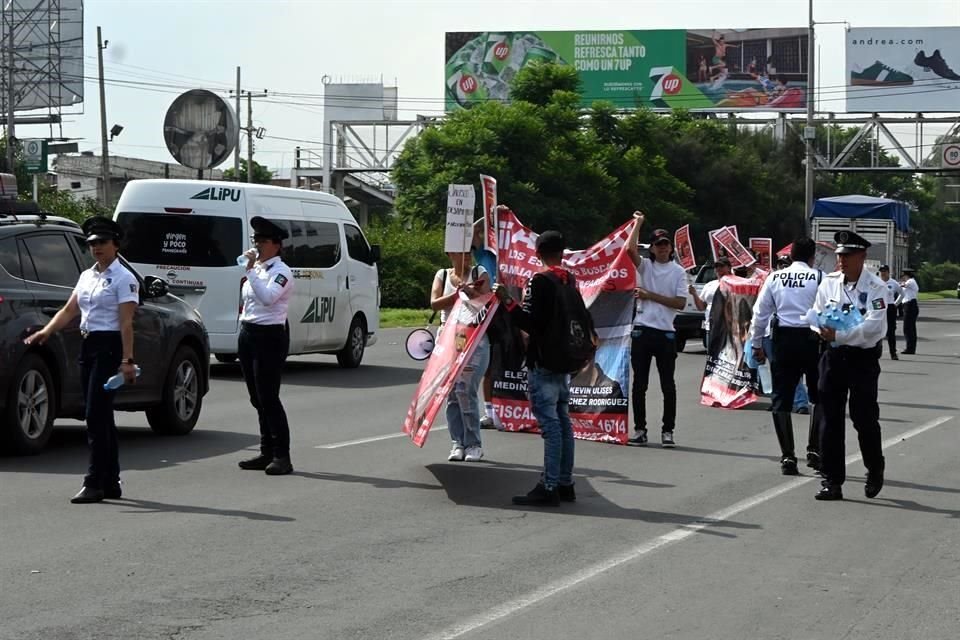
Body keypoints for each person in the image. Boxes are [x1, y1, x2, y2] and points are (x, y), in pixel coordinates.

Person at [24, 217, 139, 503]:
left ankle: (94, 481)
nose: (96, 248)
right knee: (99, 415)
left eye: (102, 242)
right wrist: (46, 331)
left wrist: (127, 360)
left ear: (116, 244)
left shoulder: (125, 278)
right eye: (91, 243)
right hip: (89, 344)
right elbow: (70, 309)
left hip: (110, 347)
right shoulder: (88, 275)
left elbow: (126, 323)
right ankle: (110, 481)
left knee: (95, 417)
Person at [493, 230, 585, 506]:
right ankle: (565, 482)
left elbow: (530, 323)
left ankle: (549, 486)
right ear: (562, 251)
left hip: (543, 359)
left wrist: (507, 300)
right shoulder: (569, 280)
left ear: (537, 252)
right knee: (563, 421)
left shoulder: (540, 280)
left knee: (551, 426)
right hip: (564, 358)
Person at [812, 231, 891, 501]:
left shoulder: (877, 288)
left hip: (862, 360)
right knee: (830, 419)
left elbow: (874, 327)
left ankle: (874, 467)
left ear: (862, 256)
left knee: (864, 418)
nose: (842, 260)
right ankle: (831, 481)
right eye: (839, 255)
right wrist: (820, 329)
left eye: (847, 255)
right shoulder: (829, 283)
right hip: (833, 357)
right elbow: (817, 312)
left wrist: (841, 334)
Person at [747, 238, 823, 476]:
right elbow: (828, 310)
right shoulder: (820, 277)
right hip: (812, 340)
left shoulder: (775, 277)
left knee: (781, 398)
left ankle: (788, 456)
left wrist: (757, 343)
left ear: (790, 256)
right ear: (812, 257)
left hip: (783, 341)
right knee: (818, 395)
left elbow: (760, 314)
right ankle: (814, 449)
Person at [237, 217, 296, 476]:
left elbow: (269, 298)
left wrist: (249, 270)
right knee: (255, 397)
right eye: (255, 240)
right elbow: (248, 302)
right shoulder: (258, 270)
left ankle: (282, 455)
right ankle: (266, 451)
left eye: (262, 241)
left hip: (270, 335)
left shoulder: (281, 272)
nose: (257, 245)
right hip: (249, 333)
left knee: (268, 397)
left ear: (276, 245)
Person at [625, 213, 687, 448]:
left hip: (665, 332)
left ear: (671, 248)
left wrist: (650, 296)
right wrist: (637, 223)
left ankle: (667, 430)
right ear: (651, 248)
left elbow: (680, 303)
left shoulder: (678, 272)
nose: (662, 248)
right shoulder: (646, 267)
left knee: (667, 385)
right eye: (658, 245)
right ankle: (640, 430)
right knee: (639, 385)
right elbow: (630, 250)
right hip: (642, 330)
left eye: (665, 244)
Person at [431, 250, 491, 462]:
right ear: (450, 254)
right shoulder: (442, 275)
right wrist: (455, 294)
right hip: (448, 340)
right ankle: (457, 442)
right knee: (452, 393)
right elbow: (434, 303)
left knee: (466, 389)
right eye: (461, 253)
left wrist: (471, 292)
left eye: (469, 253)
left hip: (474, 338)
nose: (467, 257)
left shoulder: (479, 272)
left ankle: (474, 443)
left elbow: (488, 300)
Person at [470, 219, 501, 430]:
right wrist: (490, 215)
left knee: (511, 362)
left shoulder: (510, 255)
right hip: (488, 310)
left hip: (510, 308)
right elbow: (473, 231)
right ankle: (490, 412)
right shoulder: (483, 255)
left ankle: (519, 409)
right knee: (489, 365)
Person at [689, 257, 732, 349]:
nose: (718, 268)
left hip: (729, 328)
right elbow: (701, 307)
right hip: (711, 326)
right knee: (712, 358)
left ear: (729, 267)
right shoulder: (709, 285)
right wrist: (694, 294)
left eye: (721, 266)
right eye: (716, 266)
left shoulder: (736, 284)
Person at [878, 265, 902, 359]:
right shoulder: (876, 282)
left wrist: (896, 304)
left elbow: (902, 294)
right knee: (877, 331)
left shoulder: (893, 283)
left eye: (884, 271)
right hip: (879, 307)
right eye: (881, 271)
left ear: (888, 272)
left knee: (891, 331)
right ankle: (877, 352)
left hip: (890, 307)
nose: (882, 273)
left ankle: (893, 352)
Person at [897, 267, 919, 354]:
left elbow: (902, 285)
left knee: (908, 328)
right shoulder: (908, 282)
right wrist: (895, 304)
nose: (902, 277)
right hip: (907, 305)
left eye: (903, 275)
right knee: (910, 328)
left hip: (910, 305)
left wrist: (894, 284)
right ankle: (911, 348)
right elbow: (901, 295)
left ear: (906, 275)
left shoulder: (911, 281)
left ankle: (910, 348)